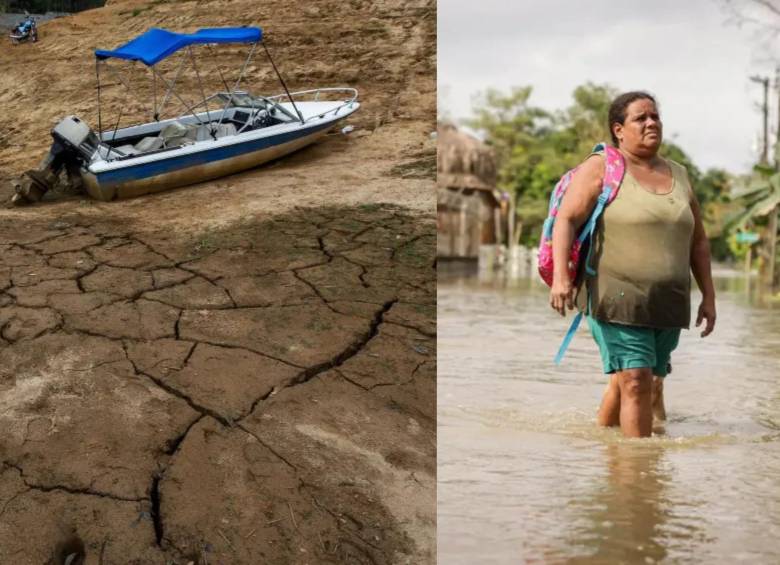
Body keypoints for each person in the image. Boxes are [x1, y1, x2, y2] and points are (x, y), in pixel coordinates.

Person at [549, 91, 716, 438]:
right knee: (637, 383)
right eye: (641, 118)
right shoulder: (602, 168)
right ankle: (636, 478)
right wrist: (561, 279)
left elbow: (698, 241)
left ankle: (602, 441)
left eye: (655, 116)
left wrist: (709, 297)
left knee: (643, 382)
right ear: (619, 129)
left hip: (668, 302)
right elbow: (566, 219)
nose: (652, 122)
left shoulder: (680, 174)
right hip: (616, 297)